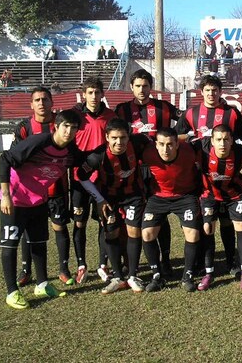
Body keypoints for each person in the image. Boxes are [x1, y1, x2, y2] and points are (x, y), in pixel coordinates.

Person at [0, 109, 82, 309]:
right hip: (16, 200)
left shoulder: (70, 151)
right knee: (10, 245)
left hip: (39, 201)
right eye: (65, 127)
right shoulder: (40, 141)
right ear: (56, 126)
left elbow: (84, 161)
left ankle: (42, 284)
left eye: (74, 128)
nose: (69, 132)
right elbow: (5, 159)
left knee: (38, 243)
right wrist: (6, 195)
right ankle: (11, 291)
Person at [115, 68, 183, 278]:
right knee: (128, 217)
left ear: (150, 87)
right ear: (131, 87)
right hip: (131, 170)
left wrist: (178, 139)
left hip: (157, 170)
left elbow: (185, 120)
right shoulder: (122, 110)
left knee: (160, 215)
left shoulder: (163, 107)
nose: (142, 90)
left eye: (145, 86)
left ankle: (166, 260)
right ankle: (128, 262)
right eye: (137, 86)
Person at [176, 74, 242, 276]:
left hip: (228, 175)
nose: (211, 94)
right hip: (202, 176)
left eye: (215, 90)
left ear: (220, 92)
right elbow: (178, 135)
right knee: (204, 221)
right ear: (201, 92)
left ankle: (231, 260)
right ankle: (202, 261)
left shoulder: (231, 113)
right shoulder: (191, 113)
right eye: (207, 90)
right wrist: (193, 138)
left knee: (226, 221)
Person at [76, 118, 149, 294]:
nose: (119, 142)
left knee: (134, 231)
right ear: (107, 137)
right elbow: (81, 176)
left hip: (133, 195)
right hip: (109, 198)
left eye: (123, 137)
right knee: (111, 232)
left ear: (129, 136)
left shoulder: (139, 143)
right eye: (114, 137)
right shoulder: (97, 156)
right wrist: (99, 199)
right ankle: (117, 277)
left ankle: (132, 275)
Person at [13, 87, 75, 288]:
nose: (41, 103)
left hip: (56, 188)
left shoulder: (60, 123)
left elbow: (71, 152)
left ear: (52, 102)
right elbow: (17, 156)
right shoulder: (24, 127)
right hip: (30, 192)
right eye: (37, 100)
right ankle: (26, 270)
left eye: (45, 99)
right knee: (28, 230)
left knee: (59, 226)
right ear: (31, 104)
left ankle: (64, 270)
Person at [140, 127, 203, 292]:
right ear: (156, 144)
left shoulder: (189, 152)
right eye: (161, 144)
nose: (165, 149)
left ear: (177, 144)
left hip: (185, 196)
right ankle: (157, 275)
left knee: (193, 233)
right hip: (158, 197)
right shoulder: (147, 154)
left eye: (169, 144)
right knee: (147, 233)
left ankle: (187, 276)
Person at [195, 125, 242, 290]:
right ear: (212, 141)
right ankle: (208, 272)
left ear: (232, 140)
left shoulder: (241, 151)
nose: (222, 143)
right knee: (208, 228)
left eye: (226, 140)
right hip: (209, 195)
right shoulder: (201, 148)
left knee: (240, 227)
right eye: (219, 140)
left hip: (234, 195)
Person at [71, 77, 117, 284]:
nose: (94, 96)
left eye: (97, 92)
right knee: (79, 222)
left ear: (102, 94)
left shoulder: (111, 116)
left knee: (104, 220)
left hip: (103, 179)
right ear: (83, 94)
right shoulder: (75, 117)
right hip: (79, 178)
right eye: (90, 92)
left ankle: (102, 265)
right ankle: (81, 265)